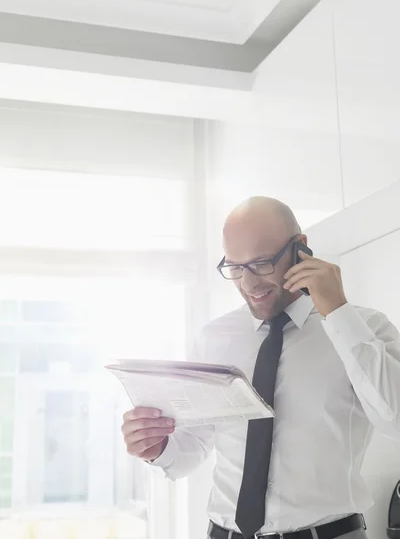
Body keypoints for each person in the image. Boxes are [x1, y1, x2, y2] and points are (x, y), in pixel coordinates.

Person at [121, 196, 400, 539]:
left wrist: (338, 312)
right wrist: (157, 447)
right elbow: (195, 444)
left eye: (262, 263)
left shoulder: (364, 328)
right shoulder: (214, 339)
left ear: (301, 250)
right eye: (235, 268)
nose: (248, 284)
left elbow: (396, 420)